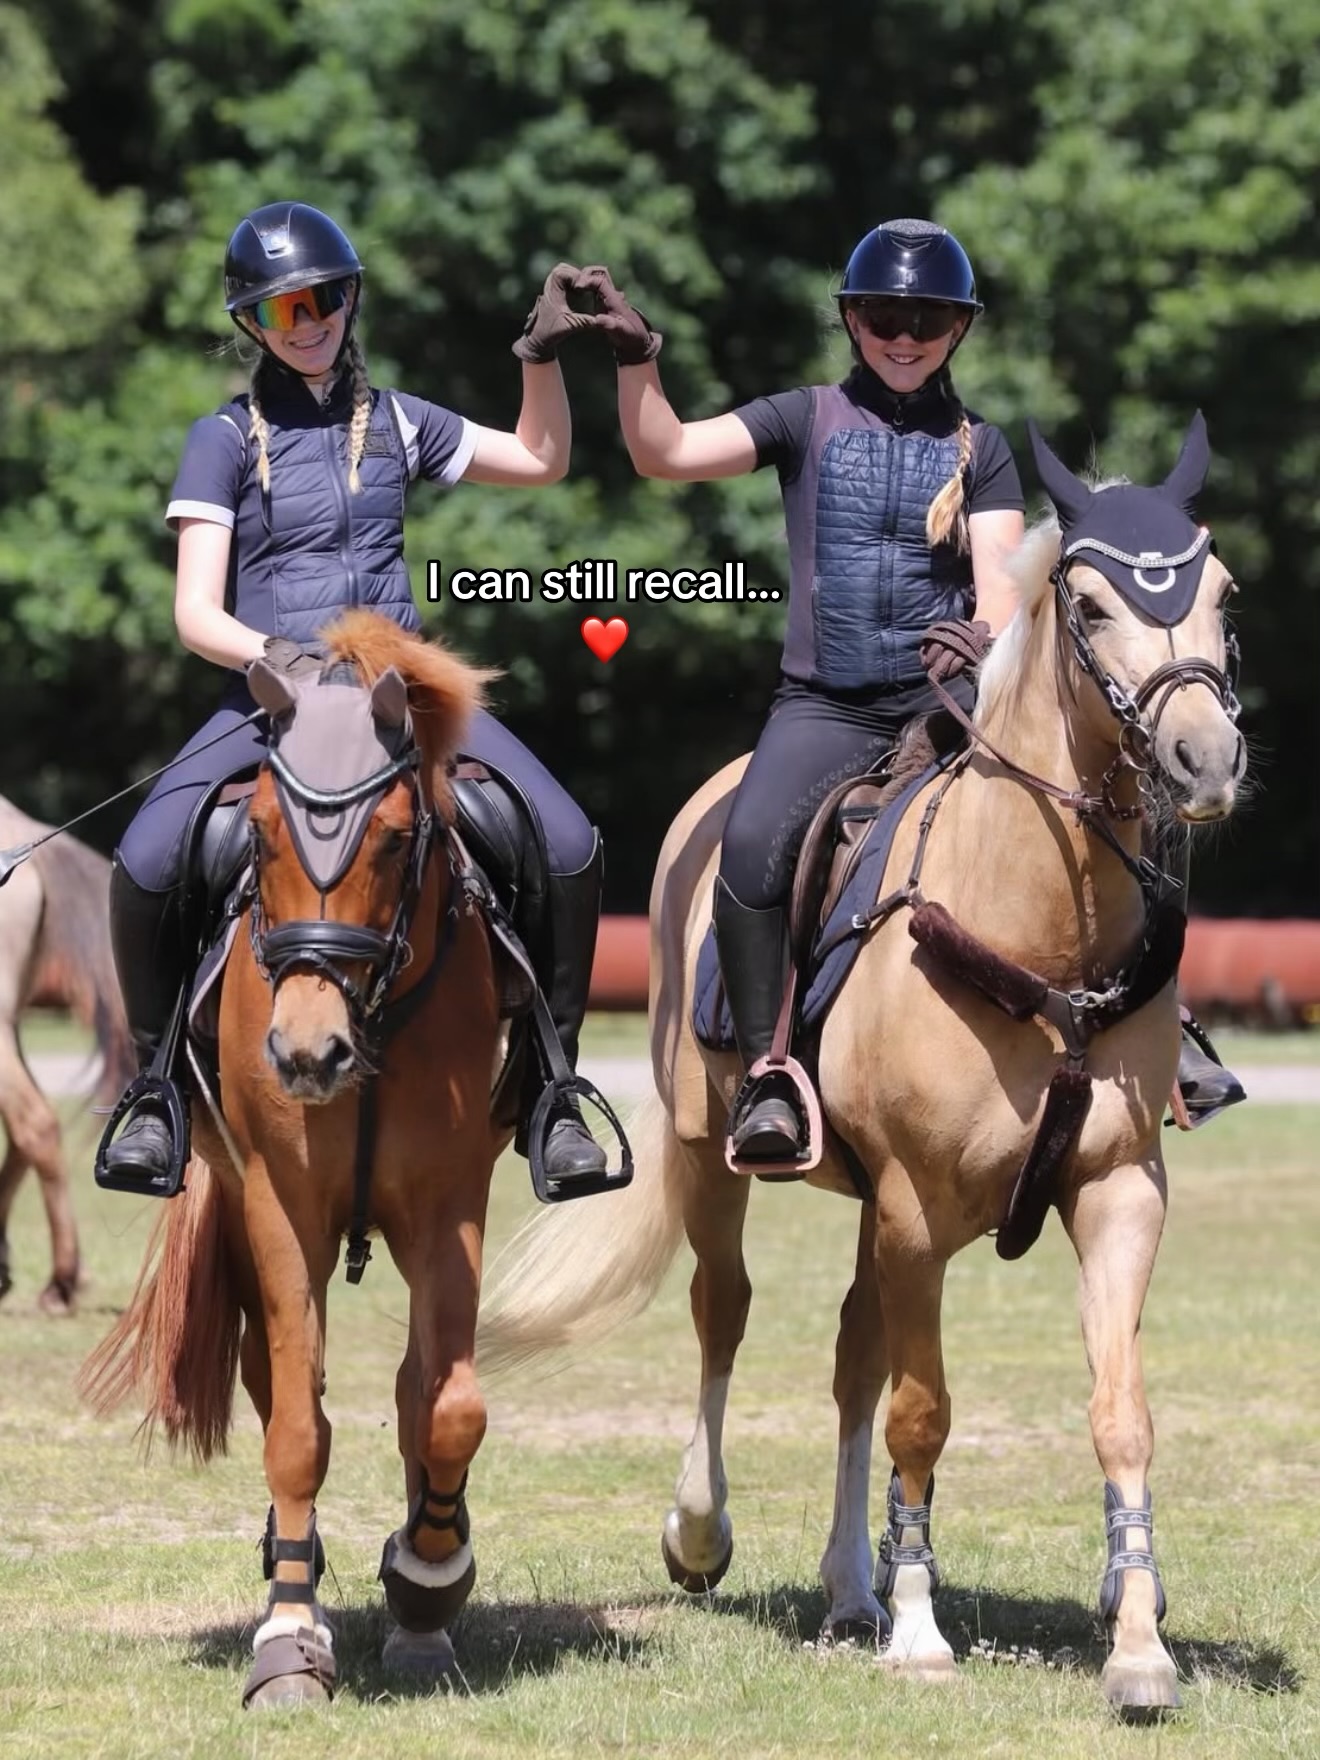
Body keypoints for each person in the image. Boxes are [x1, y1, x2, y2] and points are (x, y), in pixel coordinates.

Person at [577, 219, 1240, 1160]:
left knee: (1105, 806)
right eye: (885, 313)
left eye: (927, 316)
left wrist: (978, 631)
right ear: (852, 319)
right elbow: (663, 453)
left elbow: (1004, 580)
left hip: (951, 704)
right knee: (755, 848)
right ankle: (770, 1075)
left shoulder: (985, 447)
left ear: (956, 329)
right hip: (828, 707)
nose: (904, 332)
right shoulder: (799, 418)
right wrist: (639, 360)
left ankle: (1165, 1042)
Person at [101, 201, 610, 1193]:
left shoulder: (402, 421)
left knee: (568, 840)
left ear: (351, 299)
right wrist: (285, 656)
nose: (311, 319)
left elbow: (542, 460)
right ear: (254, 322)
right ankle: (155, 1093)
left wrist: (538, 357)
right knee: (149, 856)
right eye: (287, 308)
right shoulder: (221, 437)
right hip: (274, 701)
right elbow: (196, 614)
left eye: (326, 298)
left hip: (400, 701)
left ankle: (552, 1088)